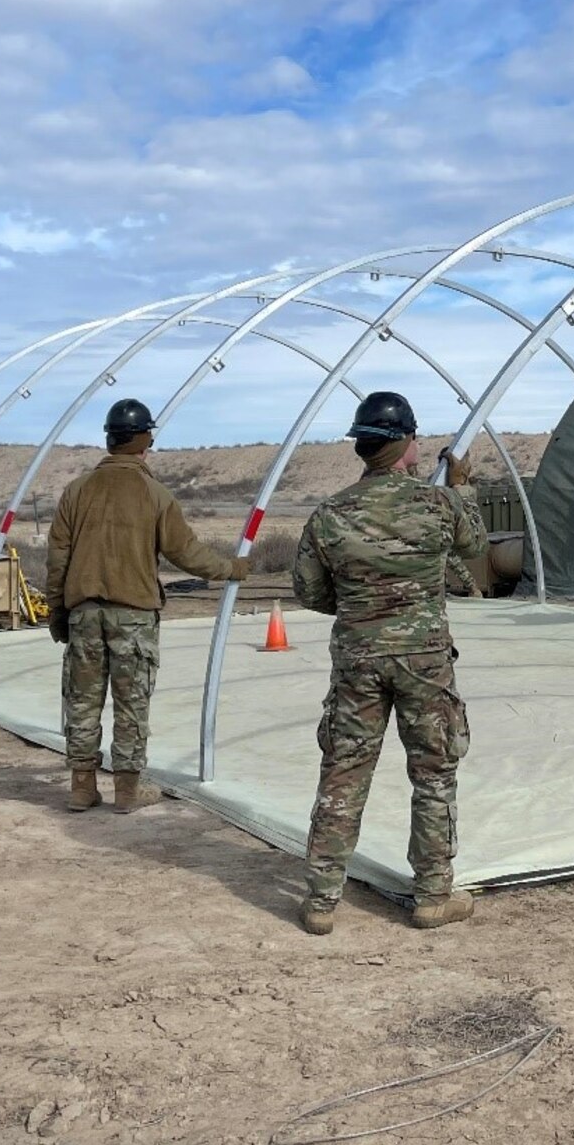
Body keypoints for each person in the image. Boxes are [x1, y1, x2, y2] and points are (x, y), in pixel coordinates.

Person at [291, 391, 488, 936]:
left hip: (357, 658)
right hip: (424, 659)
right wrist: (463, 486)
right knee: (433, 772)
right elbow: (475, 545)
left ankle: (321, 900)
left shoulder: (330, 514)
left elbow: (309, 591)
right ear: (405, 444)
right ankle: (432, 895)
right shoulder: (437, 505)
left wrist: (360, 606)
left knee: (344, 773)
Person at [45, 398, 253, 813]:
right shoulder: (154, 494)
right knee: (132, 702)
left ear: (109, 439)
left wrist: (58, 612)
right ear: (145, 443)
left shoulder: (76, 491)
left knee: (82, 701)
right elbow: (187, 553)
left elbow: (58, 560)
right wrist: (232, 568)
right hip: (134, 617)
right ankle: (126, 791)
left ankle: (81, 787)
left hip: (84, 613)